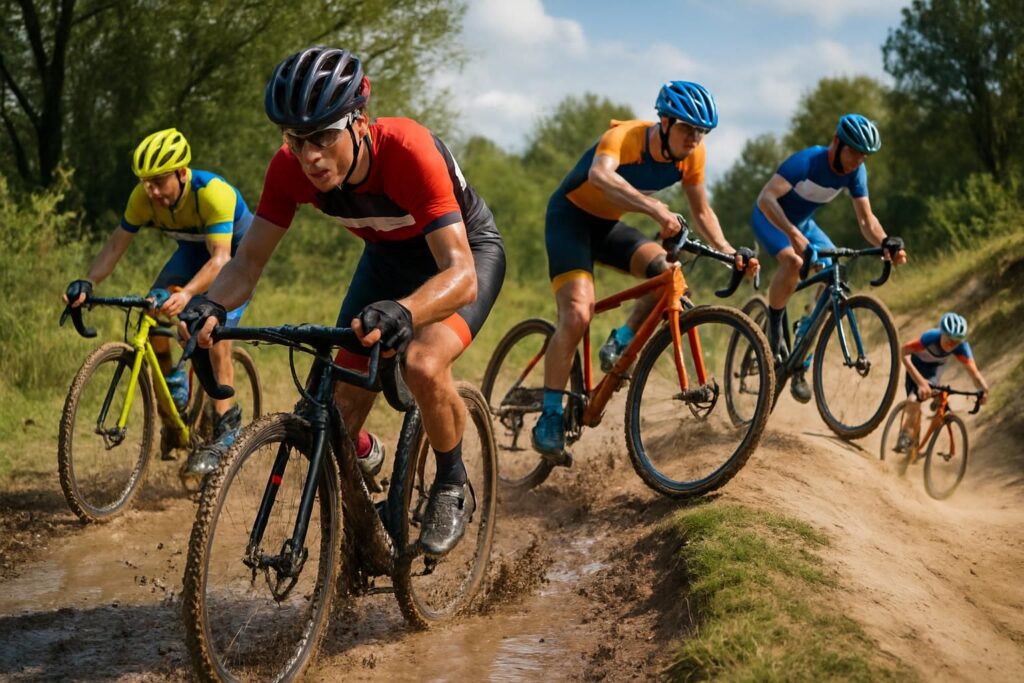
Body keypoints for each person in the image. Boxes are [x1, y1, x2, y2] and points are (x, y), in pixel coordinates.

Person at [179, 47, 505, 557]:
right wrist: (210, 304)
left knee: (423, 363)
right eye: (296, 139)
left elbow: (461, 277)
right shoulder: (288, 170)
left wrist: (407, 311)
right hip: (387, 259)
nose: (310, 155)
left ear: (360, 122)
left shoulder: (408, 151)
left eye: (324, 136)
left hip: (463, 256)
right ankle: (362, 538)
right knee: (335, 413)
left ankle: (452, 482)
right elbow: (246, 264)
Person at [531, 80, 756, 460]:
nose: (695, 139)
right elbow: (600, 175)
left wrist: (728, 250)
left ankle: (621, 340)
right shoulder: (625, 136)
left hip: (609, 226)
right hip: (570, 221)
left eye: (702, 132)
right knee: (578, 313)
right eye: (688, 129)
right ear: (664, 122)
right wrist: (655, 209)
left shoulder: (693, 156)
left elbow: (701, 211)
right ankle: (550, 415)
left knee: (668, 274)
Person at [63, 128, 252, 467]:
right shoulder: (143, 197)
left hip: (234, 257)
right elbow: (116, 244)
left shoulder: (212, 193)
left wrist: (189, 294)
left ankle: (226, 427)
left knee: (213, 333)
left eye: (158, 181)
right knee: (151, 308)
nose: (150, 191)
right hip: (192, 253)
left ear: (181, 173)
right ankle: (176, 392)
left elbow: (220, 259)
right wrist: (89, 281)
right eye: (145, 182)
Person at [752, 112, 907, 403]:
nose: (858, 160)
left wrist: (886, 242)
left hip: (804, 225)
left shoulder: (856, 172)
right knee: (794, 262)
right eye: (854, 152)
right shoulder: (807, 161)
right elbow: (765, 199)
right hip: (771, 218)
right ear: (837, 142)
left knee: (833, 274)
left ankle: (801, 354)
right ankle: (774, 328)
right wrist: (793, 235)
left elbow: (866, 221)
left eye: (863, 156)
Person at [896, 312, 989, 455]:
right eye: (949, 340)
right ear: (942, 334)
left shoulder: (962, 347)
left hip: (933, 371)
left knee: (934, 395)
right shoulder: (930, 338)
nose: (952, 345)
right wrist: (920, 382)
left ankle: (931, 416)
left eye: (956, 342)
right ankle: (905, 434)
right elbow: (903, 351)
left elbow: (975, 374)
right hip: (916, 367)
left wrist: (984, 390)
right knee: (914, 399)